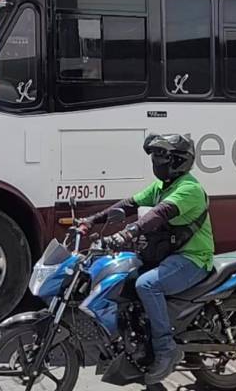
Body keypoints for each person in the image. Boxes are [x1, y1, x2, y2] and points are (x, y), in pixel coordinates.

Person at [77, 133, 215, 384]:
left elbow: (159, 214)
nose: (156, 161)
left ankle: (165, 349)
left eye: (161, 157)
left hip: (192, 259)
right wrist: (92, 220)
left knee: (146, 284)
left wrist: (127, 234)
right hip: (166, 254)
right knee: (121, 274)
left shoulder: (189, 189)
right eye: (155, 156)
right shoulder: (163, 186)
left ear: (177, 161)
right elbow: (129, 204)